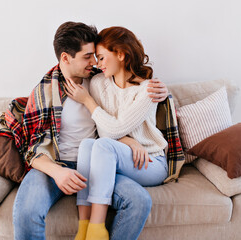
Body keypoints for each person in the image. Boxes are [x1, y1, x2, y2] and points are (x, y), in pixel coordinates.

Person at [10, 22, 169, 240]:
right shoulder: (44, 92)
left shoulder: (100, 78)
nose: (94, 62)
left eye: (96, 56)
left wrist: (163, 93)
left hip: (99, 164)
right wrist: (58, 172)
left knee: (139, 201)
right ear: (66, 58)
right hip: (57, 163)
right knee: (27, 212)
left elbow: (129, 102)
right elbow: (30, 148)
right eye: (87, 57)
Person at [64, 26, 169, 240]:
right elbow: (105, 131)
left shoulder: (147, 90)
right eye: (96, 59)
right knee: (88, 145)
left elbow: (113, 130)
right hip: (121, 156)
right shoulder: (98, 83)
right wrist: (128, 141)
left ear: (120, 55)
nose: (98, 64)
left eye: (102, 58)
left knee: (102, 146)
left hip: (150, 161)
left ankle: (96, 228)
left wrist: (88, 102)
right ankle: (83, 227)